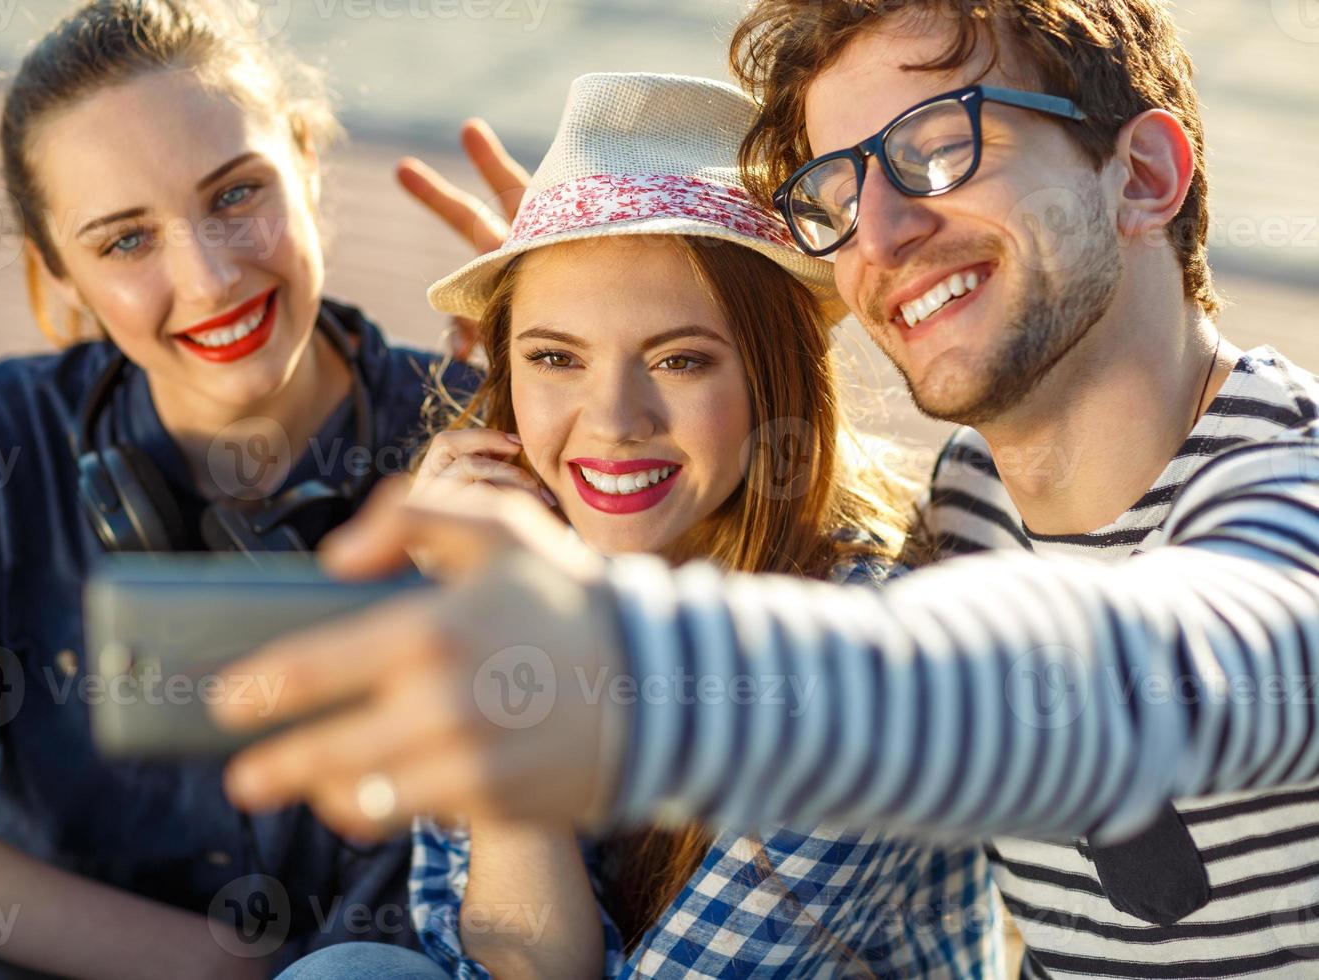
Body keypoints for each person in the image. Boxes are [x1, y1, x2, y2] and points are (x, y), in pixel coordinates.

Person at [212, 2, 1319, 978]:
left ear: (1143, 175)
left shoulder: (1289, 494)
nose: (877, 236)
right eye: (837, 191)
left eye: (941, 149)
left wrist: (610, 643)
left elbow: (1171, 655)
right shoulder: (974, 495)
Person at [276, 73, 1004, 980]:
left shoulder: (864, 653)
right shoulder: (513, 564)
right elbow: (477, 949)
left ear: (775, 379)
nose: (614, 418)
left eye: (680, 359)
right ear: (504, 380)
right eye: (555, 358)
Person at [0, 0, 472, 976]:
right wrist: (219, 964)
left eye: (235, 194)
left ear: (308, 164)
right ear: (58, 275)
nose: (212, 275)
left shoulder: (473, 437)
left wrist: (569, 347)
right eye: (125, 241)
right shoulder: (0, 440)